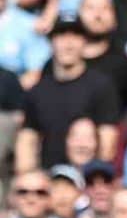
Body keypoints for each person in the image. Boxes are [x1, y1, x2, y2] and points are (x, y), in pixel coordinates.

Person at [15, 16, 121, 172]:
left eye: (75, 36)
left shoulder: (102, 86)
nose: (68, 44)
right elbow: (27, 140)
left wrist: (96, 179)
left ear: (84, 42)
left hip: (86, 179)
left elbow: (107, 139)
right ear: (51, 42)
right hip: (48, 179)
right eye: (61, 36)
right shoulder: (37, 91)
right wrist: (29, 178)